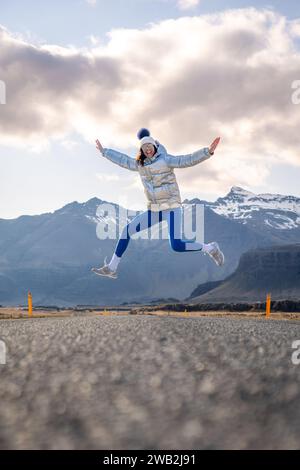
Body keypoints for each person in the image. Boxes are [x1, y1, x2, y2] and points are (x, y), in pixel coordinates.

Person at [92, 128, 224, 279]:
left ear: (154, 146)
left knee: (176, 245)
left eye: (149, 146)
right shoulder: (139, 165)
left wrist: (207, 152)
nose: (147, 149)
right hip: (154, 210)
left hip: (172, 208)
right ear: (141, 150)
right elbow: (123, 160)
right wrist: (105, 152)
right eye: (144, 147)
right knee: (127, 231)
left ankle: (210, 248)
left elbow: (186, 160)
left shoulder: (166, 160)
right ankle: (112, 267)